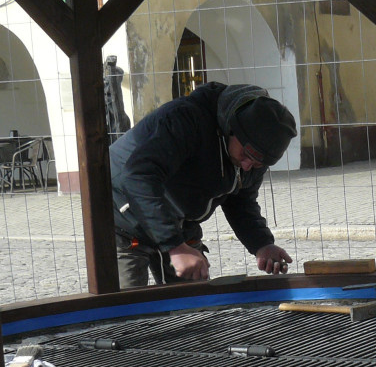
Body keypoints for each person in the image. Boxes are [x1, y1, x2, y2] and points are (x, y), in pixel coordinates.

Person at [110, 82, 296, 287]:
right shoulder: (186, 120)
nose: (247, 164)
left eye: (258, 163)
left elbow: (240, 201)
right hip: (126, 216)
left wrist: (262, 244)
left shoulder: (256, 152)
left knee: (193, 301)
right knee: (130, 308)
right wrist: (175, 247)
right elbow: (138, 177)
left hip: (180, 223)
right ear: (231, 129)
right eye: (245, 154)